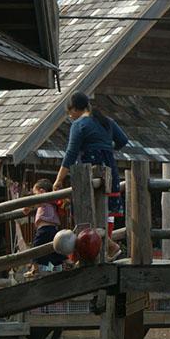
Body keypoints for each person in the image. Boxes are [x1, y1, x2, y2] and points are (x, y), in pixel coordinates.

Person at [53, 91, 126, 261]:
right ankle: (106, 250)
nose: (70, 116)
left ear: (74, 109)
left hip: (90, 170)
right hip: (109, 169)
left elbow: (71, 154)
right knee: (104, 212)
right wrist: (107, 148)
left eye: (70, 113)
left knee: (87, 212)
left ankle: (107, 248)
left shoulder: (79, 124)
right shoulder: (107, 121)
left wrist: (58, 179)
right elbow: (122, 141)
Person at [22, 178, 66, 277]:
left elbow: (34, 203)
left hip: (44, 230)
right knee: (55, 250)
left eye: (35, 193)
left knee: (36, 248)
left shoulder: (43, 199)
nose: (35, 196)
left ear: (41, 192)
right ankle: (64, 265)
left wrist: (27, 207)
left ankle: (35, 269)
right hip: (53, 230)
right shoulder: (52, 201)